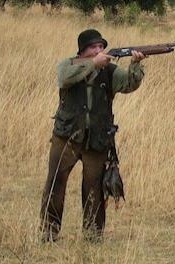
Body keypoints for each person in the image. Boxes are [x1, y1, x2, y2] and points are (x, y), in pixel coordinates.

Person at [40, 29, 146, 242]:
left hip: (97, 138)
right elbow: (64, 79)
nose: (99, 51)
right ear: (82, 51)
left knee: (94, 189)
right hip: (67, 135)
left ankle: (92, 236)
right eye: (93, 47)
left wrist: (135, 65)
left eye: (101, 47)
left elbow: (129, 84)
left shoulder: (109, 71)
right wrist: (92, 64)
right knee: (55, 184)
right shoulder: (68, 65)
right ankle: (49, 233)